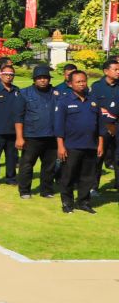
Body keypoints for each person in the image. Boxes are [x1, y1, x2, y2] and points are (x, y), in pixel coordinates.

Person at [55, 70, 105, 214]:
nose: (82, 84)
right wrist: (60, 146)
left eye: (84, 81)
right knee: (69, 176)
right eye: (78, 81)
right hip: (71, 146)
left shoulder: (93, 101)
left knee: (88, 176)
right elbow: (59, 126)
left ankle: (83, 202)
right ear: (70, 84)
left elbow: (100, 125)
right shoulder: (64, 101)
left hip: (90, 145)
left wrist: (100, 143)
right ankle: (67, 203)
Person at [15, 64, 58, 199]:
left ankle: (46, 190)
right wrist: (19, 137)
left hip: (52, 136)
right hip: (31, 136)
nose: (43, 80)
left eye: (45, 77)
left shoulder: (56, 93)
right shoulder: (24, 93)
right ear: (34, 79)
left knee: (49, 166)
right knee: (27, 165)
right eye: (39, 78)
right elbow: (18, 117)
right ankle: (25, 191)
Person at [88, 57, 119, 187]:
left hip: (117, 126)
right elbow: (93, 107)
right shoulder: (96, 86)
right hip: (102, 127)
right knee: (98, 157)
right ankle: (93, 187)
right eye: (116, 69)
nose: (118, 72)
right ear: (106, 71)